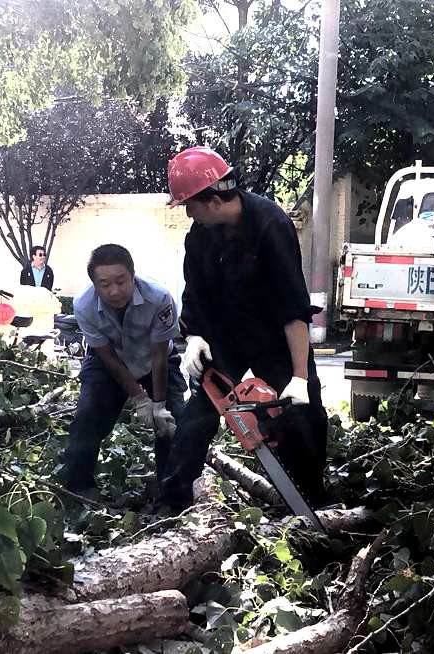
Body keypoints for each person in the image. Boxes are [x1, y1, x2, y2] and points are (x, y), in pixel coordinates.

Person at [160, 146, 328, 511]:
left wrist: (298, 376)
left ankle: (313, 500)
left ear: (213, 200)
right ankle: (173, 503)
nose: (188, 213)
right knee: (198, 416)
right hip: (225, 337)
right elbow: (196, 291)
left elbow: (292, 306)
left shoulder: (271, 225)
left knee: (305, 411)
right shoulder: (200, 236)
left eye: (190, 204)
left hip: (274, 338)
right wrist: (194, 336)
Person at [63, 244, 186, 497]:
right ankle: (79, 489)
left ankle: (172, 493)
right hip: (108, 362)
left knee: (175, 423)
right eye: (104, 284)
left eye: (121, 281)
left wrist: (159, 404)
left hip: (156, 361)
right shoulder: (83, 305)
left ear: (132, 275)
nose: (114, 291)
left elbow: (159, 355)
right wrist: (139, 397)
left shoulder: (159, 298)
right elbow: (106, 356)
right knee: (88, 416)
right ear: (94, 284)